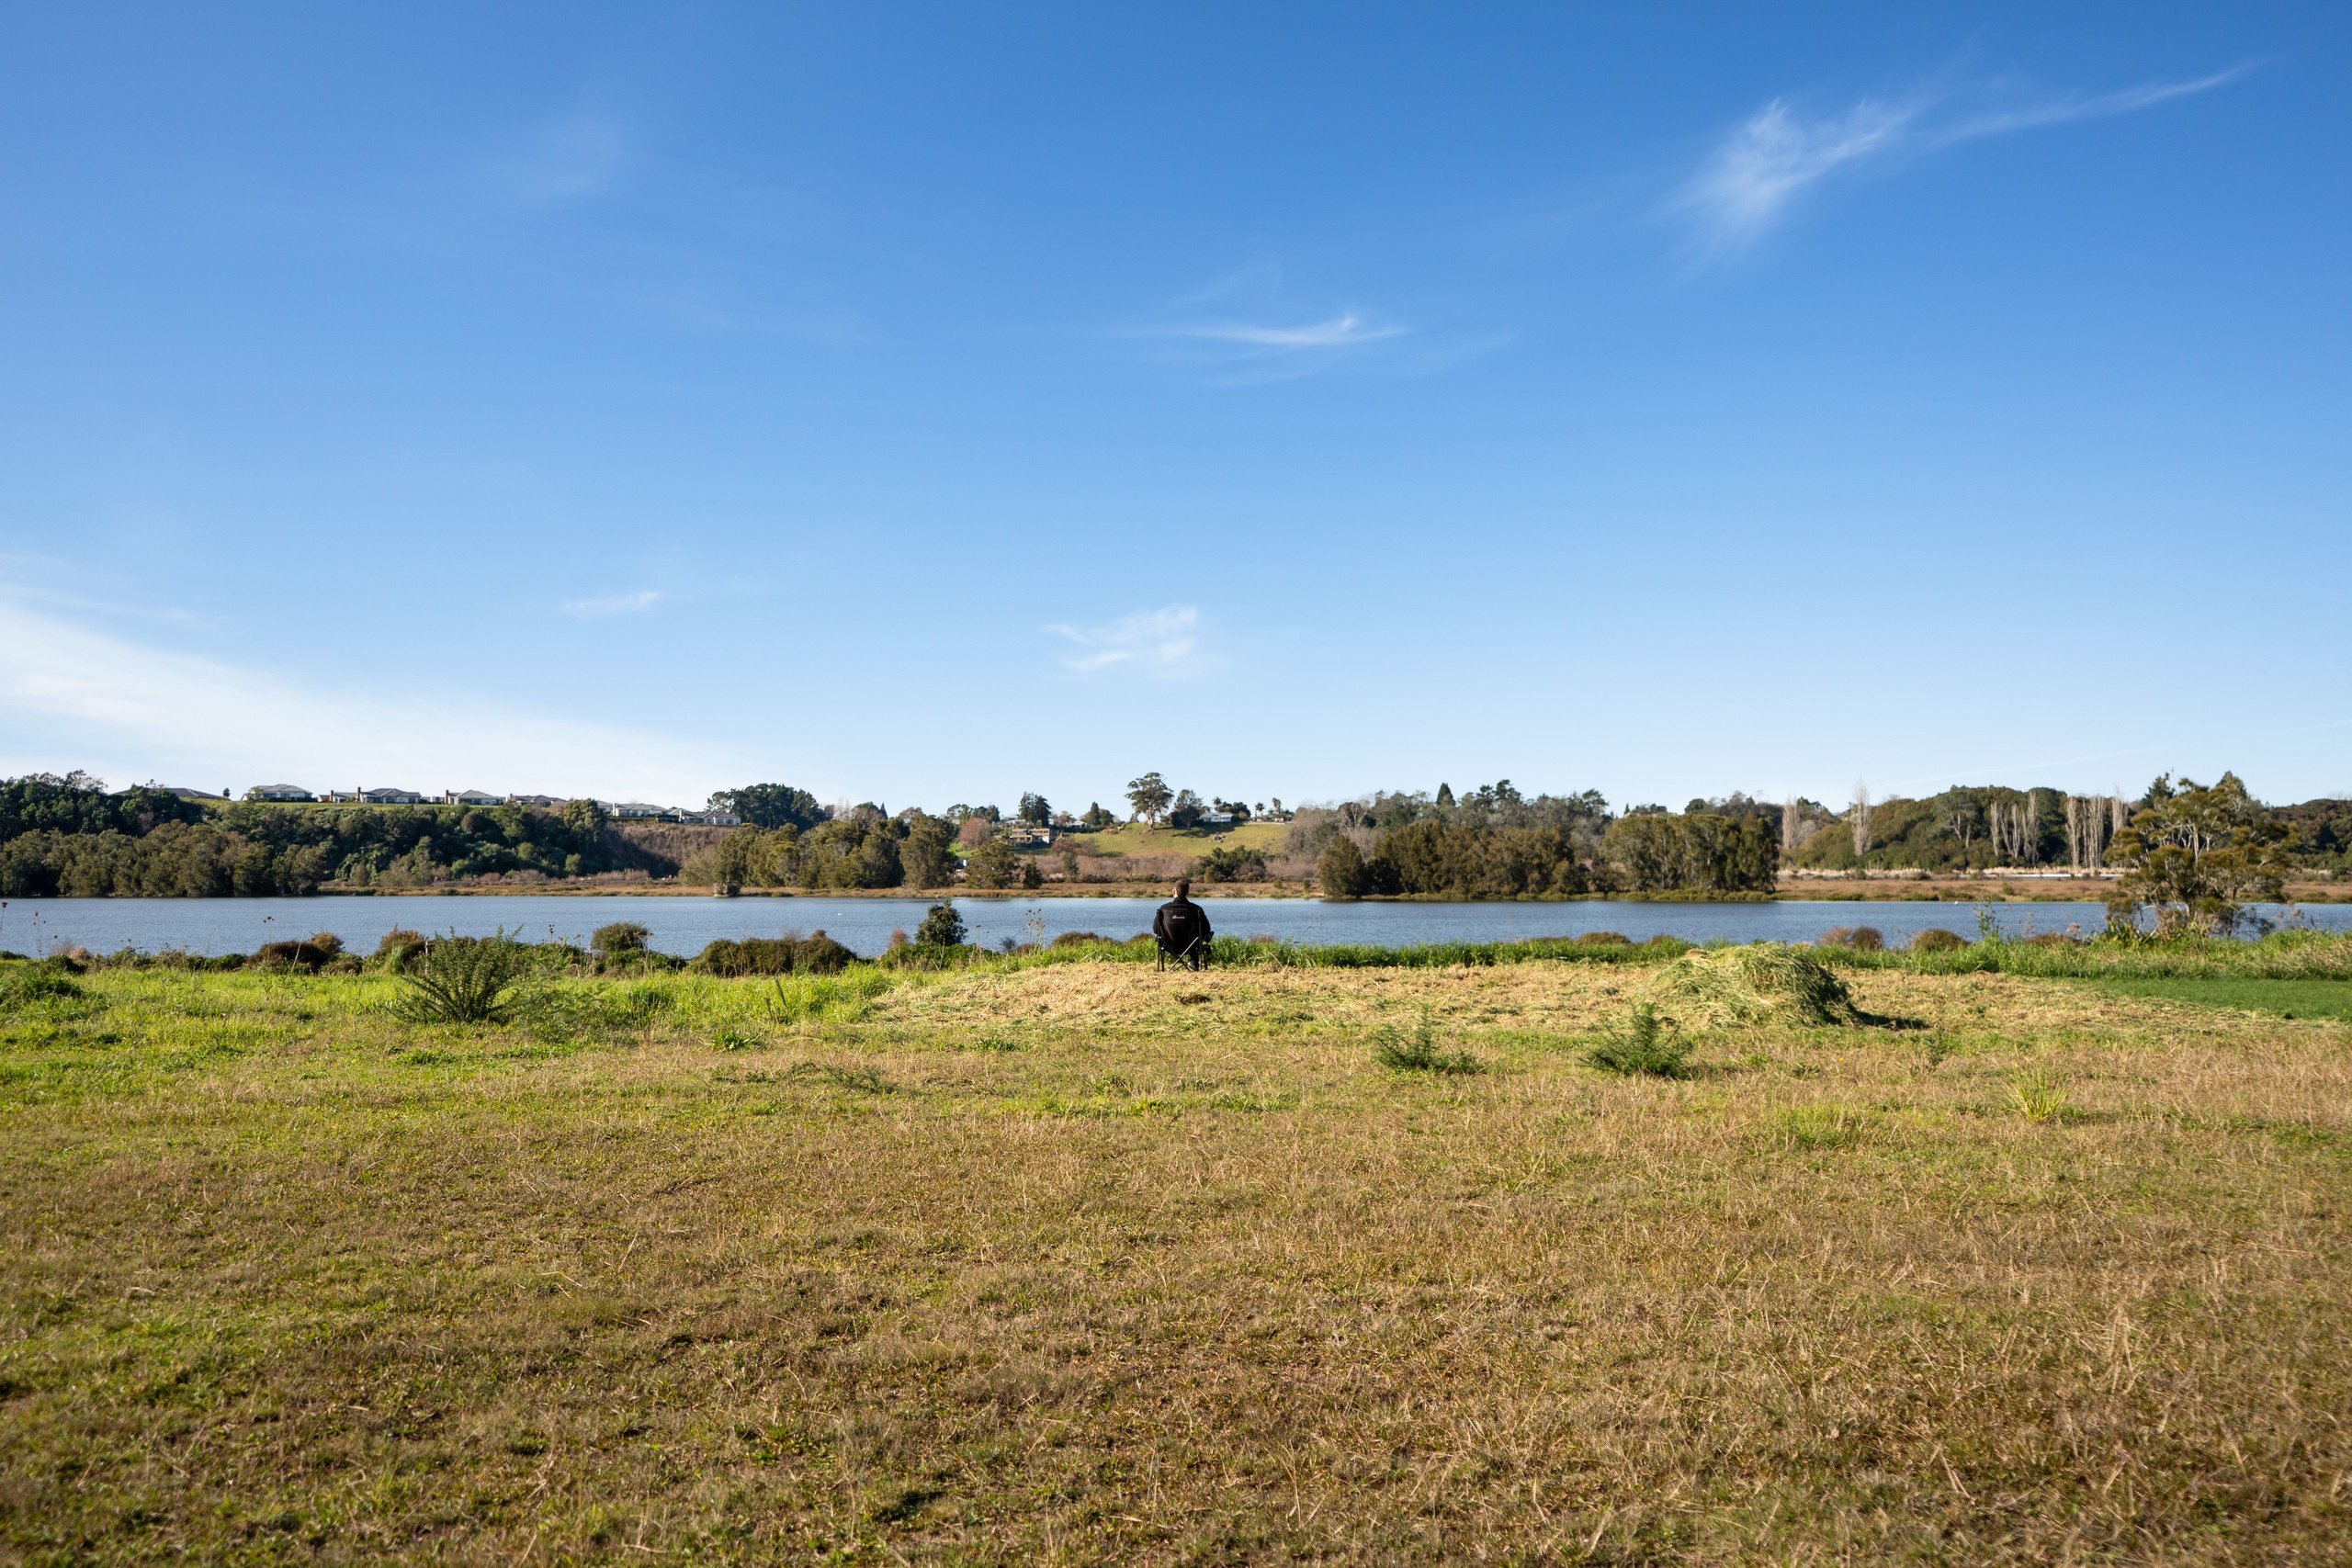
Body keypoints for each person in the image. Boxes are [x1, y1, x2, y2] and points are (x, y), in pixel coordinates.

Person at [1152, 878, 1214, 971]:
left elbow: (1156, 930)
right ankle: (1194, 967)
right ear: (1188, 892)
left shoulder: (1164, 909)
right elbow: (1206, 929)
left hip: (1169, 946)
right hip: (1192, 946)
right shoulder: (1197, 909)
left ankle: (1164, 969)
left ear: (1174, 891)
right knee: (1197, 938)